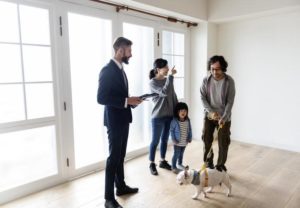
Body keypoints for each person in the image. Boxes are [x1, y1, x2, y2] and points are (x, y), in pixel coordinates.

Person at [97, 37, 143, 208]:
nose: (131, 54)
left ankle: (121, 187)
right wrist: (126, 101)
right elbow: (101, 98)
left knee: (120, 156)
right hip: (114, 121)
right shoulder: (107, 70)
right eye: (129, 51)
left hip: (123, 119)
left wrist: (132, 101)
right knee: (113, 158)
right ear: (120, 50)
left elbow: (120, 96)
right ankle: (109, 199)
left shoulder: (121, 69)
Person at [200, 55, 235, 172]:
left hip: (224, 117)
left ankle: (220, 166)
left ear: (223, 68)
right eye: (212, 69)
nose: (215, 72)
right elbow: (202, 98)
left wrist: (224, 117)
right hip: (209, 116)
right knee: (206, 140)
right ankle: (208, 164)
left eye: (217, 69)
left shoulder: (229, 81)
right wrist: (211, 112)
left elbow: (230, 102)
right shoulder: (206, 80)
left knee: (223, 143)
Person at [148, 58, 178, 175]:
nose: (167, 69)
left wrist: (177, 111)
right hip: (158, 117)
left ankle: (162, 161)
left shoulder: (168, 79)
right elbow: (164, 92)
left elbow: (172, 95)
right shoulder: (152, 82)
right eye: (165, 67)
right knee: (155, 141)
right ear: (157, 69)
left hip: (169, 115)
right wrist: (170, 77)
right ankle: (151, 163)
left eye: (167, 66)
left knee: (165, 140)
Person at [170, 102, 192, 174]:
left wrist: (190, 137)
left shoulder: (187, 120)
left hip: (184, 142)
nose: (183, 112)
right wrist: (173, 139)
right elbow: (172, 131)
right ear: (177, 112)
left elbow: (190, 129)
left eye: (185, 111)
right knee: (176, 154)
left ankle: (179, 164)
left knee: (181, 154)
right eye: (181, 111)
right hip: (177, 142)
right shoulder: (175, 121)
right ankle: (173, 166)